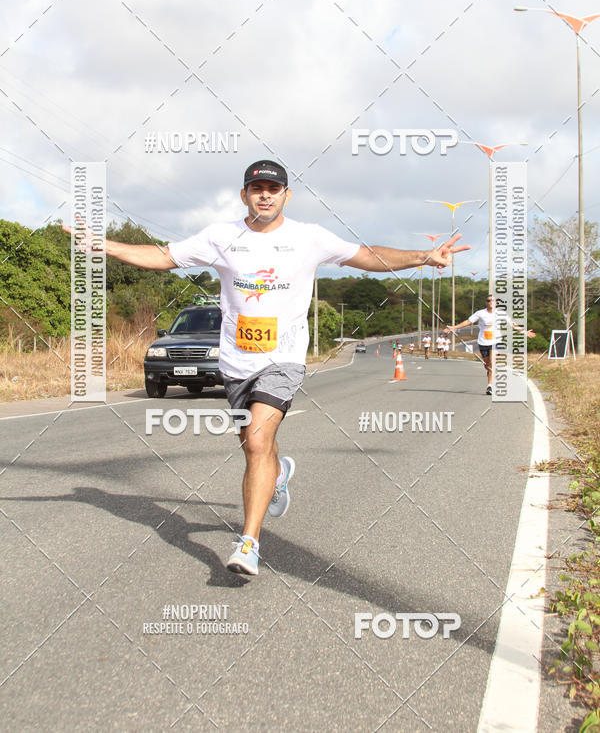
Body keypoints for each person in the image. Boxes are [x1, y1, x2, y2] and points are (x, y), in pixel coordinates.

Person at [64, 159, 470, 576]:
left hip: (285, 358)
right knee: (253, 444)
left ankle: (248, 543)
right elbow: (165, 256)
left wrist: (424, 255)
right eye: (256, 188)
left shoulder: (309, 238)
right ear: (244, 195)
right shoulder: (222, 237)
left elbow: (366, 256)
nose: (264, 195)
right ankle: (278, 473)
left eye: (273, 189)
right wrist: (105, 246)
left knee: (257, 440)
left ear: (286, 196)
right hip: (236, 362)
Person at [445, 296, 534, 394]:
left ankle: (490, 386)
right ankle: (490, 376)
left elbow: (512, 324)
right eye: (488, 300)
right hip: (483, 342)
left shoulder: (501, 313)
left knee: (492, 362)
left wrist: (524, 332)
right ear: (486, 302)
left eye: (493, 300)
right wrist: (454, 327)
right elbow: (468, 322)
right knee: (487, 365)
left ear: (496, 302)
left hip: (496, 341)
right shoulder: (480, 313)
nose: (490, 302)